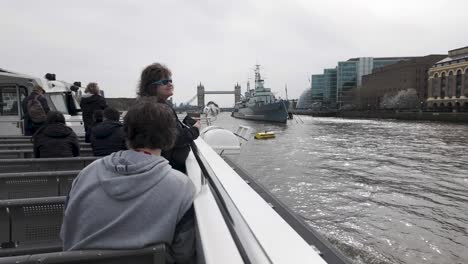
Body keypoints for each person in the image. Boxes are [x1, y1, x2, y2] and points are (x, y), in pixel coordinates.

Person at [61, 100, 196, 264]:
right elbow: (184, 254)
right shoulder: (181, 186)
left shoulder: (87, 173)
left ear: (126, 132)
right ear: (170, 137)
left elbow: (66, 233)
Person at [138, 63, 201, 173]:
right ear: (151, 86)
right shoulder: (157, 108)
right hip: (167, 168)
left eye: (170, 80)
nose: (170, 84)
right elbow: (174, 138)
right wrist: (195, 129)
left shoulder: (151, 105)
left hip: (163, 165)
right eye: (164, 82)